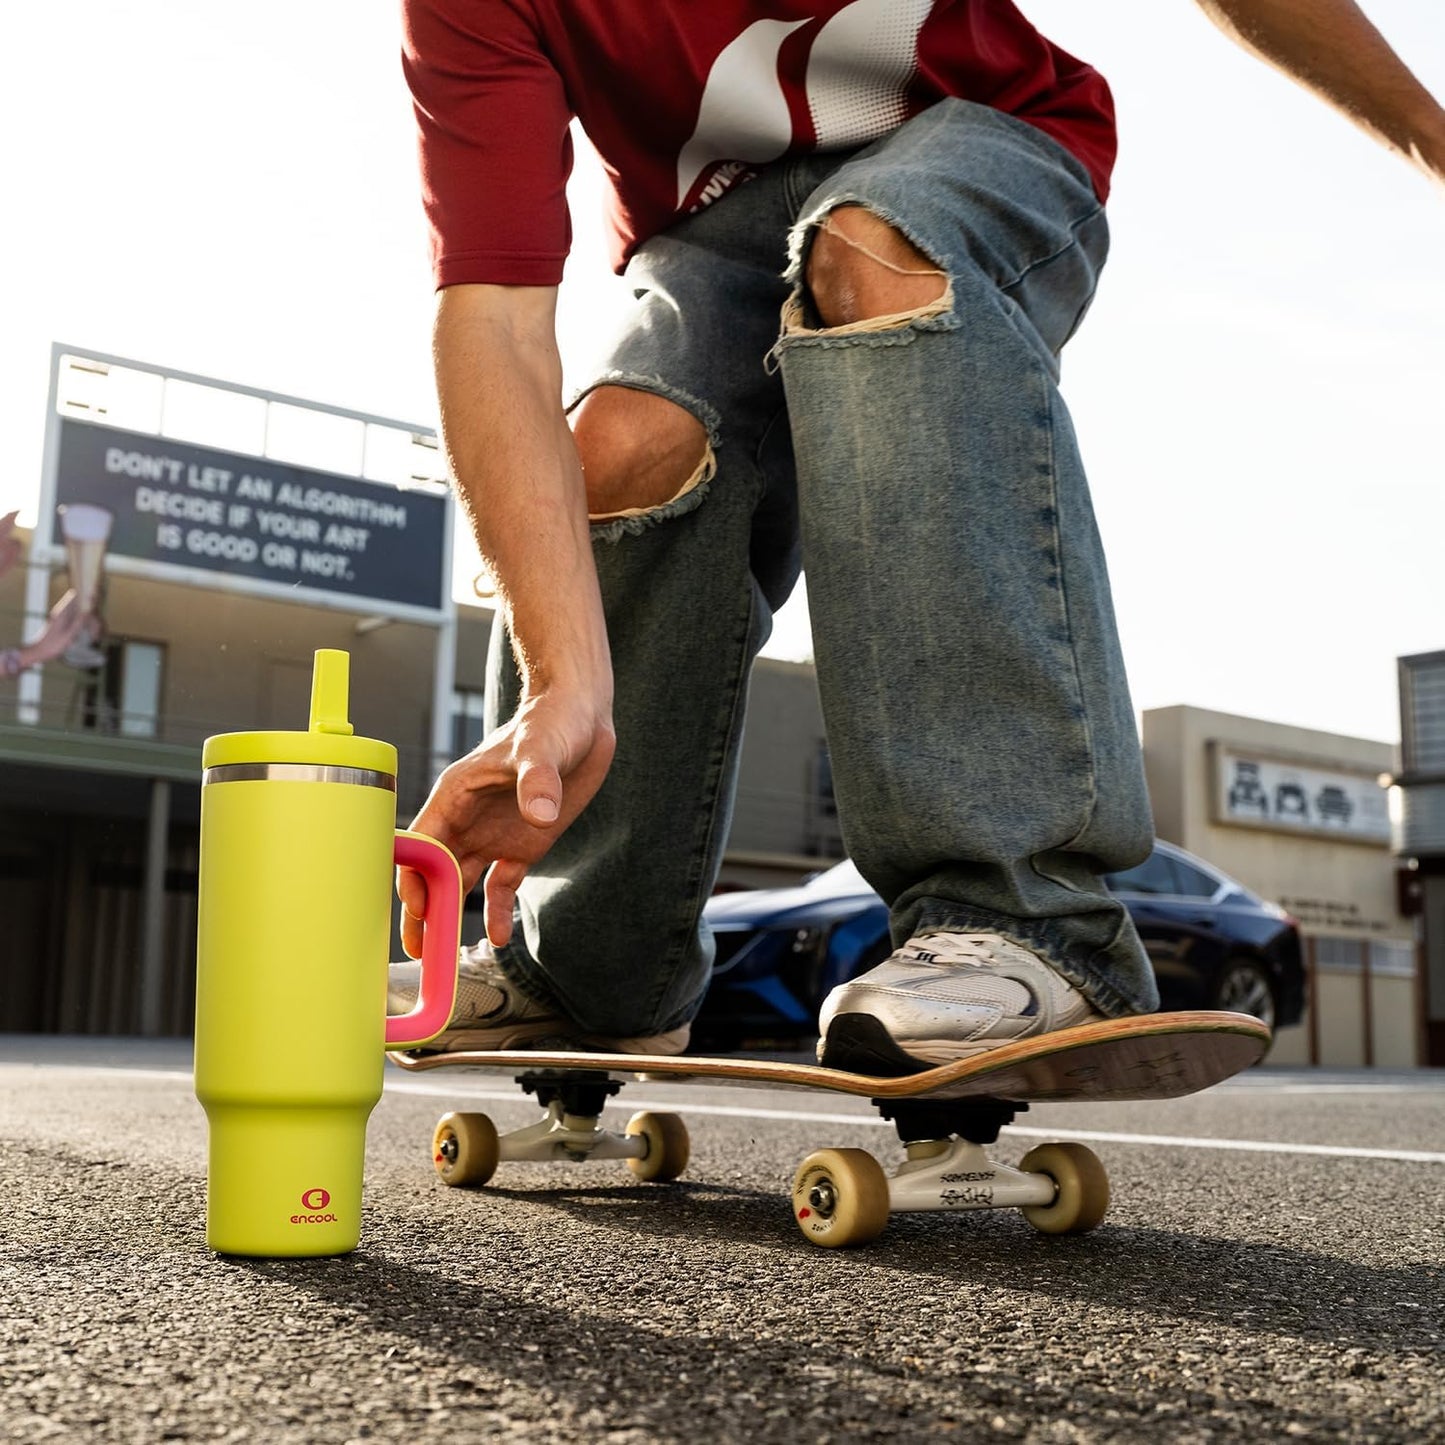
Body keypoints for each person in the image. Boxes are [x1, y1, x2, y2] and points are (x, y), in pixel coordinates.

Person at [390, 1, 1444, 1069]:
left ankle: (1021, 919)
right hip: (710, 235)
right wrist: (561, 681)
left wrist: (1430, 141)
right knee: (621, 450)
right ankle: (588, 969)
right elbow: (496, 324)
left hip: (984, 135)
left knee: (874, 250)